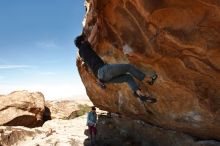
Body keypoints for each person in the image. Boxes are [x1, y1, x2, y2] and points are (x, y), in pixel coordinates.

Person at [74, 34, 157, 103]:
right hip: (104, 70)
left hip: (103, 78)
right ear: (82, 41)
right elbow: (93, 35)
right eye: (85, 39)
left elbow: (93, 43)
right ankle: (148, 79)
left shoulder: (83, 54)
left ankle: (140, 94)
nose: (87, 40)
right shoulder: (84, 46)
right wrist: (97, 23)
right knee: (129, 67)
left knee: (128, 78)